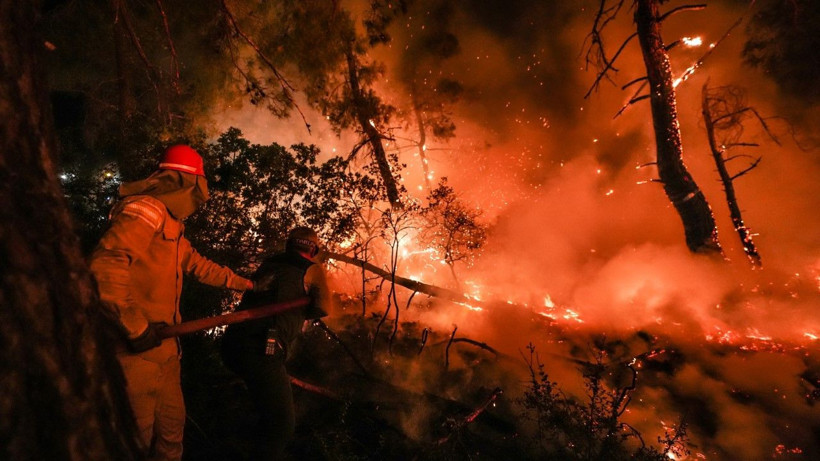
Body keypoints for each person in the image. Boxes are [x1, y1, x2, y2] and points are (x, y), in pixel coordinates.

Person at [90, 144, 253, 461]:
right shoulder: (146, 211)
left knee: (170, 440)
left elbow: (197, 265)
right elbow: (104, 269)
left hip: (166, 356)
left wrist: (246, 283)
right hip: (134, 355)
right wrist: (136, 329)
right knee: (132, 444)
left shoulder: (171, 223)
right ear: (186, 182)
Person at [221, 226, 331, 459]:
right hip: (263, 348)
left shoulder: (268, 263)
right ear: (313, 249)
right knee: (281, 425)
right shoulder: (312, 269)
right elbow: (323, 308)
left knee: (264, 409)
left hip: (232, 342)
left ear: (288, 244)